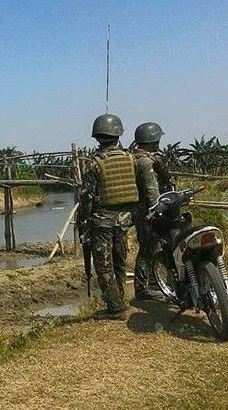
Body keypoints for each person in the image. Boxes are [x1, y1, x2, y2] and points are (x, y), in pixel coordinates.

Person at [80, 114, 139, 320]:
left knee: (104, 265)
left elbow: (86, 198)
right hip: (124, 220)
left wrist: (83, 225)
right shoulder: (130, 159)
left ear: (97, 137)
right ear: (118, 134)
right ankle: (120, 300)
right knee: (119, 260)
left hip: (102, 221)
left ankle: (115, 308)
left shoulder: (95, 164)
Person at [130, 122, 173, 300]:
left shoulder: (132, 158)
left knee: (153, 247)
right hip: (148, 212)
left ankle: (155, 283)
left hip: (139, 210)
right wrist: (157, 210)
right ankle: (143, 288)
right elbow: (151, 190)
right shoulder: (146, 161)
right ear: (153, 140)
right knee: (149, 248)